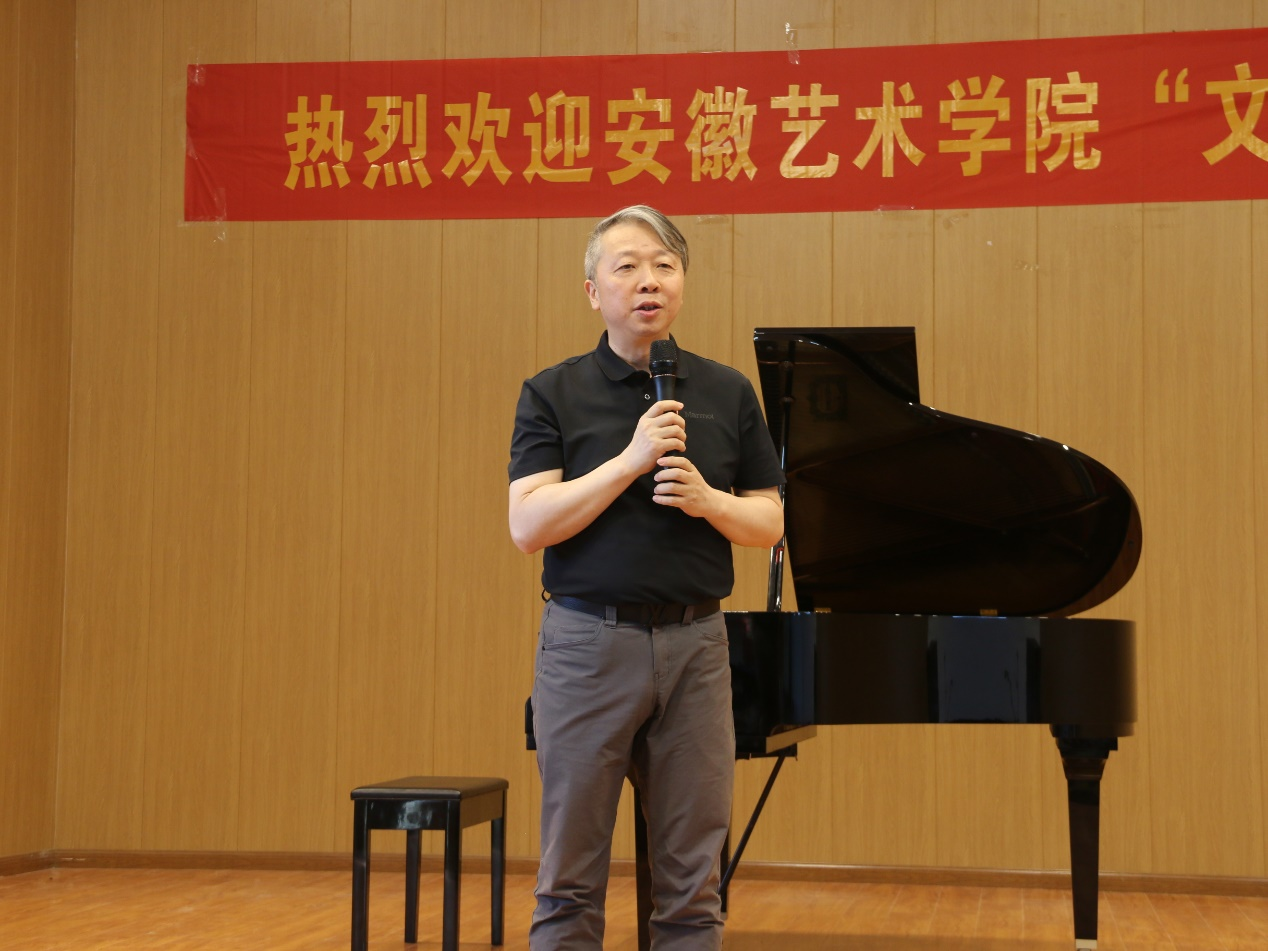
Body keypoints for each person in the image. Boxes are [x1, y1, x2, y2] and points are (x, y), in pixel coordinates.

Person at [507, 205, 785, 950]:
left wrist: (710, 501)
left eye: (664, 265)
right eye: (626, 266)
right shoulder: (552, 392)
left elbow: (770, 520)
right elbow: (527, 525)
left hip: (698, 647)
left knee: (694, 884)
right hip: (587, 646)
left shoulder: (727, 390)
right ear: (592, 290)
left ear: (683, 282)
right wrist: (629, 461)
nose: (648, 281)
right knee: (569, 881)